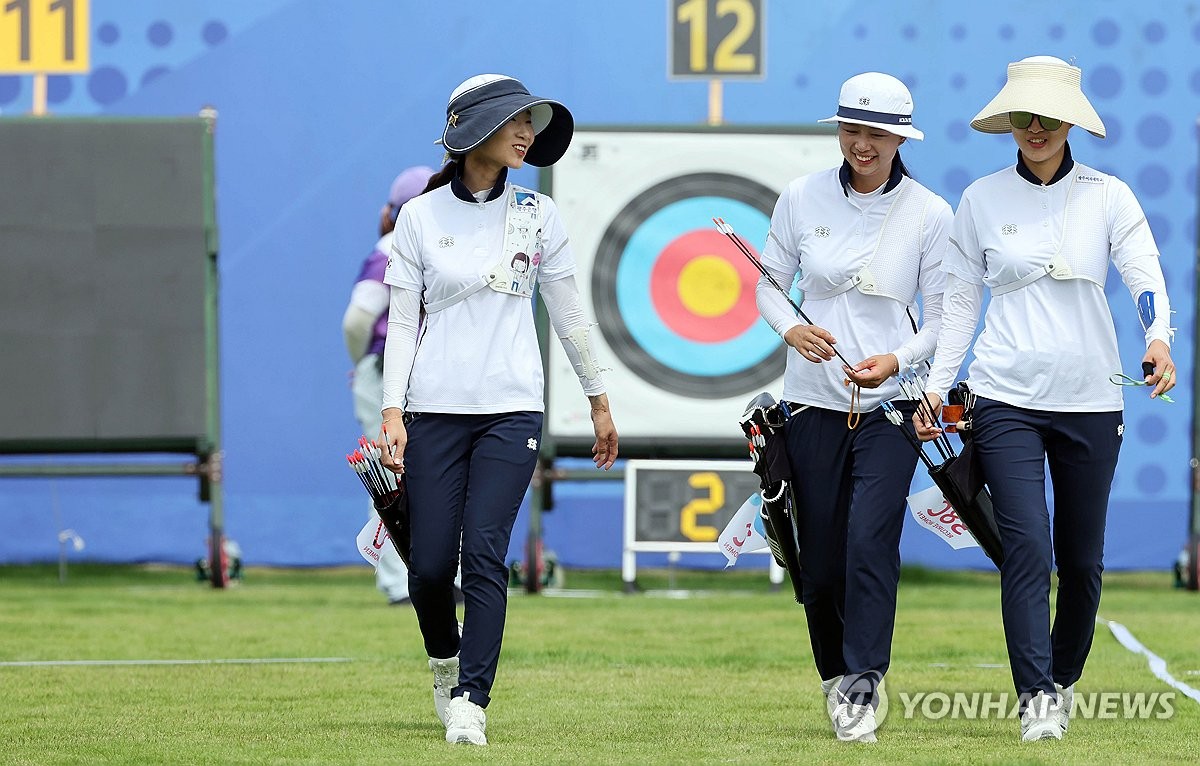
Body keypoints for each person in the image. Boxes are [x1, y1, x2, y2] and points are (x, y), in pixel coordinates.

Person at [914, 56, 1176, 742]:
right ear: (1008, 122)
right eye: (1024, 117)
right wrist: (939, 386)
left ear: (1069, 123)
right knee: (1027, 546)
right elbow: (961, 302)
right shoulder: (980, 198)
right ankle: (1036, 698)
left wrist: (1158, 338)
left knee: (1083, 562)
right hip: (1005, 398)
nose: (1035, 128)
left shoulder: (1109, 195)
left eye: (1049, 117)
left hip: (1093, 399)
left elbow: (1143, 270)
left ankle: (1060, 678)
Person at [378, 73, 618, 746]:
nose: (526, 134)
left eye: (531, 123)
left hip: (511, 410)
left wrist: (599, 402)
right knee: (427, 567)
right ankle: (443, 656)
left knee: (484, 553)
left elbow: (571, 318)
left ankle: (471, 701)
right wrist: (393, 412)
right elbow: (401, 324)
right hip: (432, 411)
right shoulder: (420, 218)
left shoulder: (538, 215)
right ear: (471, 131)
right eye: (514, 120)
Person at [757, 72, 951, 743]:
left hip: (890, 407)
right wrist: (791, 330)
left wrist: (899, 361)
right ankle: (835, 674)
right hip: (811, 403)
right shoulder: (800, 197)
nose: (860, 144)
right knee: (822, 560)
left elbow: (942, 319)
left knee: (871, 541)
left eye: (875, 133)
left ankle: (863, 684)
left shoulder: (930, 213)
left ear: (900, 138)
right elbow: (769, 287)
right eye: (850, 130)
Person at [342, 165, 434, 605]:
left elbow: (358, 320)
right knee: (406, 474)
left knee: (393, 474)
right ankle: (406, 580)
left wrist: (362, 360)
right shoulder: (425, 244)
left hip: (391, 374)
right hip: (416, 377)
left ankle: (405, 582)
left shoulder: (389, 245)